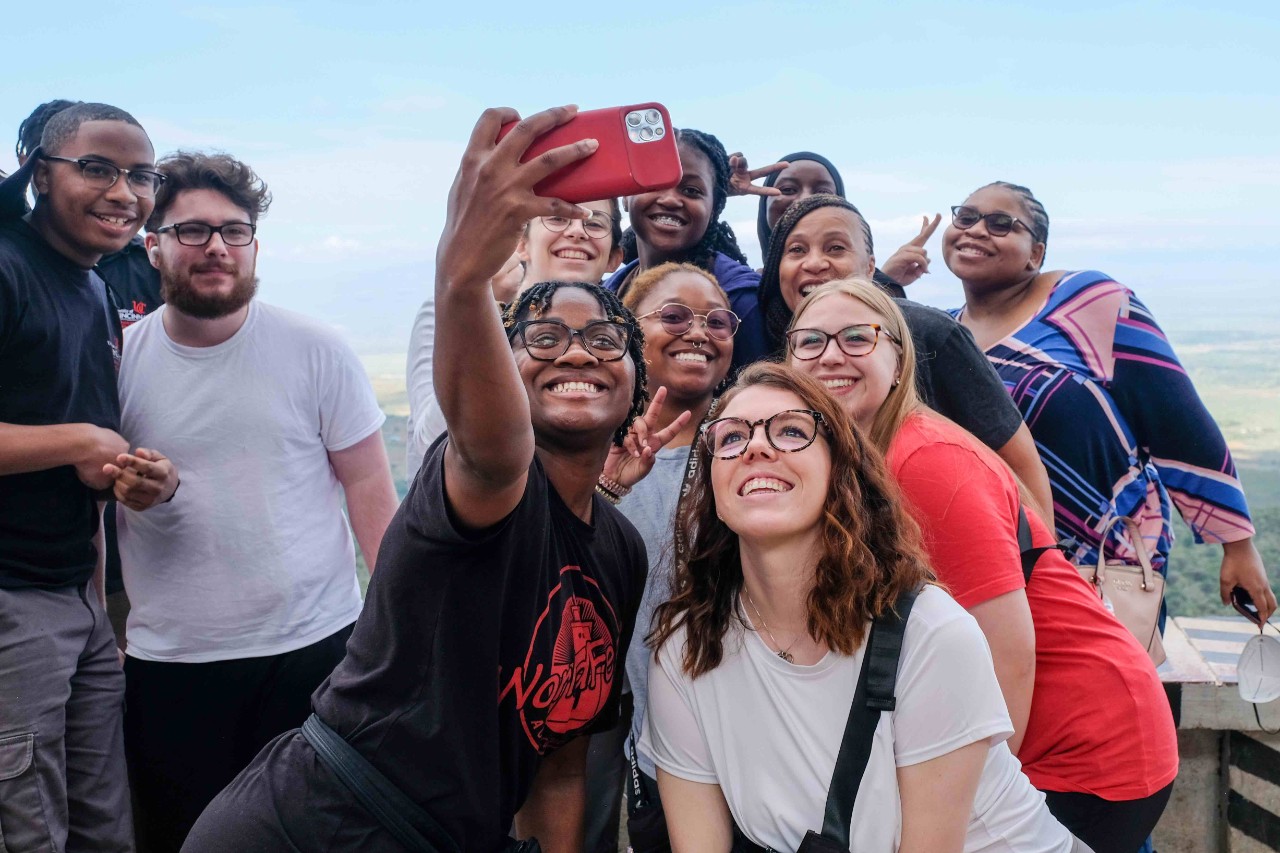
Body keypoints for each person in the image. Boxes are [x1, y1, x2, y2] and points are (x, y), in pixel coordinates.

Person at [184, 105, 652, 853]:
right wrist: (463, 275)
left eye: (605, 338)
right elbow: (493, 444)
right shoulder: (482, 482)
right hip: (317, 823)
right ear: (505, 367)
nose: (577, 351)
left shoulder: (619, 548)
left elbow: (560, 757)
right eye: (541, 336)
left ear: (637, 382)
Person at [785, 279, 1179, 853]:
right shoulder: (852, 459)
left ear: (899, 360)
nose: (831, 355)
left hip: (1081, 749)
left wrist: (984, 791)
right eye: (811, 341)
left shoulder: (924, 461)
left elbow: (1006, 651)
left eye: (856, 337)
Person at [642, 362, 1085, 853]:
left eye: (792, 431)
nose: (757, 448)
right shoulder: (689, 648)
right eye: (730, 438)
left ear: (842, 473)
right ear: (711, 485)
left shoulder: (930, 635)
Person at [113, 151, 398, 851]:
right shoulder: (115, 359)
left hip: (315, 653)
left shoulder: (316, 349)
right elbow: (92, 510)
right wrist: (103, 631)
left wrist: (400, 630)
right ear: (153, 247)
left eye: (233, 231)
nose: (216, 246)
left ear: (254, 246)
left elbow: (369, 488)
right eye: (192, 231)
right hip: (170, 667)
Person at [942, 181, 1276, 624]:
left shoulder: (1088, 302)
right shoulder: (941, 333)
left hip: (1103, 561)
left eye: (1000, 223)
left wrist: (1237, 545)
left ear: (1035, 253)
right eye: (965, 217)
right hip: (991, 566)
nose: (976, 230)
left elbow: (1177, 419)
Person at [0, 101, 173, 853]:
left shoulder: (94, 285)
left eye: (141, 176)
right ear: (40, 172)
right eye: (97, 168)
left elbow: (81, 435)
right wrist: (80, 438)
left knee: (105, 820)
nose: (123, 192)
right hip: (12, 602)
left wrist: (129, 476)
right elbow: (75, 431)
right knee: (30, 825)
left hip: (79, 592)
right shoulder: (8, 267)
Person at [756, 192, 1054, 521]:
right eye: (796, 250)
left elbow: (1021, 464)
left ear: (870, 268)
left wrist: (1043, 555)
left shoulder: (926, 331)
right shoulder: (772, 352)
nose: (814, 263)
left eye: (836, 248)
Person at [598, 261, 736, 847]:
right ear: (631, 332)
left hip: (763, 740)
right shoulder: (600, 453)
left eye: (718, 321)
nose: (699, 332)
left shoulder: (758, 444)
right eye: (675, 316)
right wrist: (607, 490)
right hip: (662, 750)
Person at [406, 198, 624, 478]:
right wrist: (487, 313)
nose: (577, 231)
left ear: (615, 257)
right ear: (521, 244)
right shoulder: (451, 313)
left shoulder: (622, 342)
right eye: (557, 218)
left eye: (594, 223)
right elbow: (432, 442)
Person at [605, 128, 768, 370]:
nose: (670, 199)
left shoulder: (740, 298)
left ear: (713, 209)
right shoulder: (609, 292)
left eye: (691, 191)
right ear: (626, 197)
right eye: (654, 183)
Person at [746, 150, 939, 292]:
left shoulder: (878, 288)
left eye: (822, 192)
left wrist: (875, 278)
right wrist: (719, 187)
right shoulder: (741, 292)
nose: (805, 200)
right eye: (788, 190)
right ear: (764, 204)